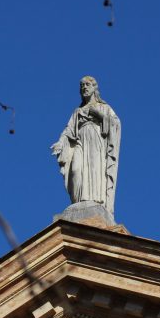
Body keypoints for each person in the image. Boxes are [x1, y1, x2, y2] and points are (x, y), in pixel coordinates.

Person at [51, 76, 121, 215]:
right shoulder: (77, 111)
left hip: (96, 141)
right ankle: (78, 202)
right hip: (79, 141)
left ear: (95, 88)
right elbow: (69, 130)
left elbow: (116, 124)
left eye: (87, 85)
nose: (84, 87)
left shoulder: (104, 107)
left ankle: (94, 200)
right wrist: (60, 143)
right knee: (76, 170)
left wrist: (99, 115)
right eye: (82, 85)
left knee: (94, 169)